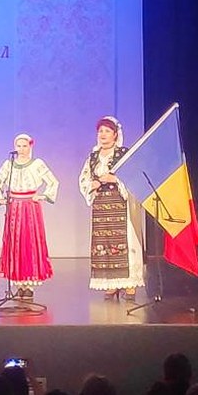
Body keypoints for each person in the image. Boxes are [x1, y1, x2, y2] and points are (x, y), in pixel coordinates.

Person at [78, 116, 145, 300]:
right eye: (100, 131)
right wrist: (91, 184)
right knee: (104, 242)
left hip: (120, 203)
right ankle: (111, 283)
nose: (103, 134)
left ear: (115, 134)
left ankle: (129, 283)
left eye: (107, 131)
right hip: (101, 205)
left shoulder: (123, 154)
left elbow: (135, 176)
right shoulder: (93, 157)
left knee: (124, 241)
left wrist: (114, 179)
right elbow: (84, 178)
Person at [0, 133, 58, 299]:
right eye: (19, 146)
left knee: (29, 243)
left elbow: (53, 182)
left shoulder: (37, 164)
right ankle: (18, 283)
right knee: (15, 243)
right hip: (14, 207)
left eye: (24, 146)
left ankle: (29, 285)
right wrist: (0, 199)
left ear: (30, 147)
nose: (21, 149)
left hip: (30, 208)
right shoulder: (9, 164)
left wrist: (42, 196)